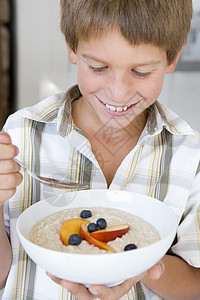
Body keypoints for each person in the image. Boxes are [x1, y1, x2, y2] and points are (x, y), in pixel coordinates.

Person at [0, 0, 200, 299]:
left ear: (173, 56)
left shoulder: (189, 153)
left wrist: (138, 262)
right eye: (98, 67)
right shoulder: (22, 134)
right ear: (71, 47)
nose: (118, 92)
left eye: (142, 71)